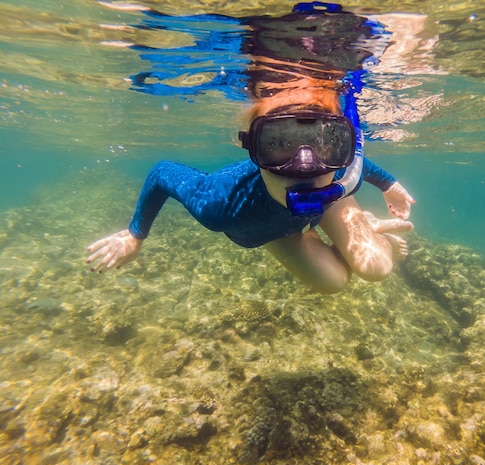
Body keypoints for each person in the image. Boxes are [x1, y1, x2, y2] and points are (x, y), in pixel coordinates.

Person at [87, 2, 416, 293]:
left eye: (326, 145)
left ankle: (368, 231)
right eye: (278, 144)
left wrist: (389, 185)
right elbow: (162, 173)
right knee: (333, 283)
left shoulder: (337, 174)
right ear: (251, 147)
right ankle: (350, 230)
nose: (305, 166)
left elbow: (354, 166)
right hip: (272, 232)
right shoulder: (220, 204)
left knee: (376, 269)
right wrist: (134, 235)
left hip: (330, 207)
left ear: (343, 146)